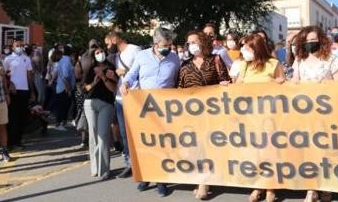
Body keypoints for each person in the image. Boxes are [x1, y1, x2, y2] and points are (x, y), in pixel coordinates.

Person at [121, 27, 180, 197]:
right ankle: (146, 176)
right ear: (155, 43)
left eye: (170, 45)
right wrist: (125, 84)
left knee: (163, 144)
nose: (168, 48)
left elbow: (177, 81)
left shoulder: (174, 59)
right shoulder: (142, 56)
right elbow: (132, 75)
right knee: (147, 143)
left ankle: (161, 179)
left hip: (166, 109)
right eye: (165, 45)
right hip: (145, 107)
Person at [178, 31, 230, 200]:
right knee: (197, 148)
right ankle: (202, 179)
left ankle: (205, 181)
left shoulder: (215, 60)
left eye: (194, 41)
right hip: (192, 115)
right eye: (188, 42)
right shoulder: (185, 65)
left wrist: (225, 84)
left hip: (212, 113)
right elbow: (179, 90)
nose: (191, 45)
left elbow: (225, 80)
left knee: (209, 146)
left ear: (203, 43)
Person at [291, 26, 338, 202]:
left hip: (326, 113)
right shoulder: (299, 60)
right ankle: (311, 188)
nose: (311, 43)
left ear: (321, 40)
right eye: (307, 41)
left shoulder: (331, 59)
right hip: (305, 113)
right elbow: (294, 84)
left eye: (314, 40)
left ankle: (327, 186)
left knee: (325, 151)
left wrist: (329, 83)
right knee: (308, 151)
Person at [236, 34, 284, 202]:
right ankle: (258, 186)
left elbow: (285, 88)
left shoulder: (273, 64)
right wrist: (227, 85)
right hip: (251, 117)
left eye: (246, 48)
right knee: (255, 153)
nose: (243, 51)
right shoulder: (244, 66)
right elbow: (237, 88)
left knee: (269, 153)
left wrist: (280, 84)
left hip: (270, 116)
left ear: (256, 48)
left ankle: (270, 188)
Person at [107, 30, 141, 179]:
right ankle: (129, 164)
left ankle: (140, 162)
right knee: (124, 133)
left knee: (136, 132)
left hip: (134, 97)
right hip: (120, 98)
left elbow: (141, 70)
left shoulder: (134, 49)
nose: (107, 46)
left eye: (108, 42)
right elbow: (120, 77)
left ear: (115, 39)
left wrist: (124, 71)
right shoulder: (116, 56)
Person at [83, 43, 118, 181]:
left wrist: (105, 78)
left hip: (106, 104)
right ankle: (95, 167)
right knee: (93, 135)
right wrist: (94, 82)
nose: (100, 54)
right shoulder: (90, 69)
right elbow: (83, 88)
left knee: (103, 135)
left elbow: (114, 89)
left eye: (102, 51)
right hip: (90, 103)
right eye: (97, 53)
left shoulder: (110, 68)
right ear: (93, 55)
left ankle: (104, 169)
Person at [4, 39, 34, 150]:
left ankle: (18, 141)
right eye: (17, 45)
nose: (20, 47)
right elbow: (4, 75)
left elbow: (29, 76)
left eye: (21, 45)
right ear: (12, 47)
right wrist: (9, 85)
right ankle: (9, 142)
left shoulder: (27, 59)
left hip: (24, 91)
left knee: (22, 117)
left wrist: (32, 92)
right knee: (12, 117)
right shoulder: (8, 59)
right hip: (13, 92)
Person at [54, 45, 75, 131]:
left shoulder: (63, 59)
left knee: (65, 105)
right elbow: (66, 76)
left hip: (62, 86)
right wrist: (69, 89)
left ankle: (63, 122)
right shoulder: (66, 60)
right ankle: (59, 123)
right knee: (63, 106)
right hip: (64, 88)